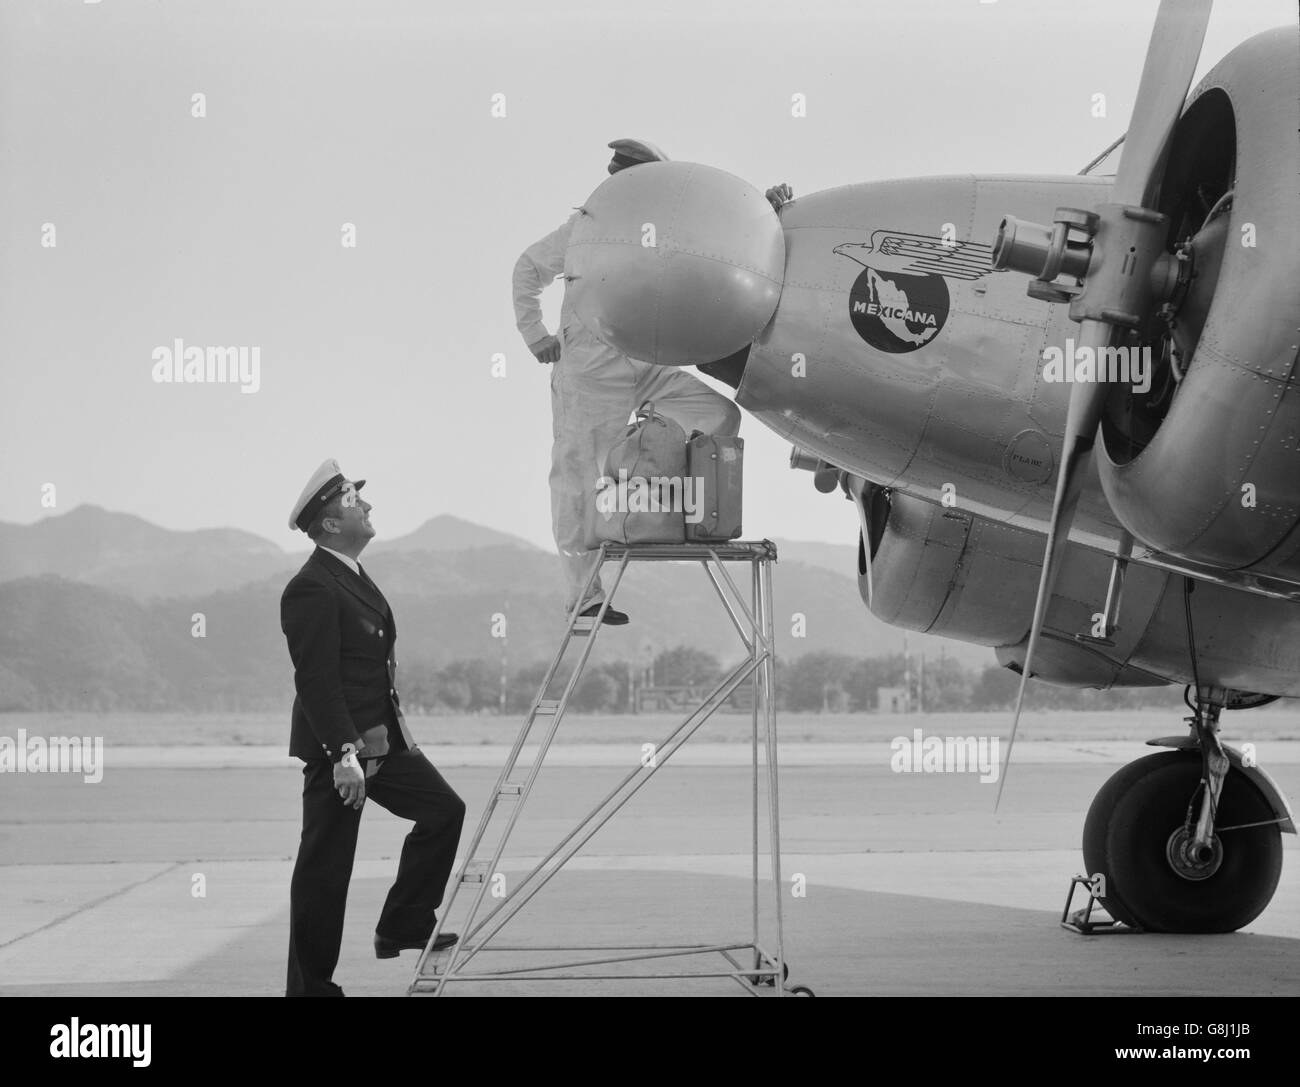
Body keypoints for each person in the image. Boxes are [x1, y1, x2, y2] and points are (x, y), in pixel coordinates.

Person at [513, 138, 793, 625]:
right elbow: (527, 269)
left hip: (643, 362)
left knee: (718, 416)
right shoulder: (587, 228)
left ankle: (652, 501)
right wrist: (535, 335)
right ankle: (584, 597)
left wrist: (765, 212)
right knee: (577, 477)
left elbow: (720, 243)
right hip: (590, 372)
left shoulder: (672, 228)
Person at [281, 459, 466, 997]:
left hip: (383, 742)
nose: (365, 505)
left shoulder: (350, 574)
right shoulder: (311, 586)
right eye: (351, 500)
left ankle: (403, 921)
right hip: (341, 750)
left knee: (443, 811)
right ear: (331, 524)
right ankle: (309, 989)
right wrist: (342, 752)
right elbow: (316, 679)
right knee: (325, 870)